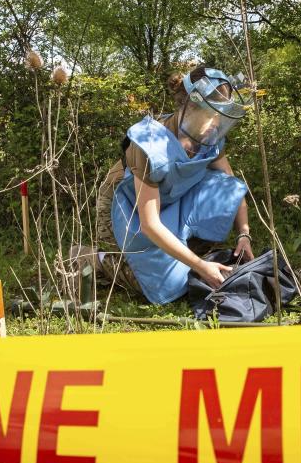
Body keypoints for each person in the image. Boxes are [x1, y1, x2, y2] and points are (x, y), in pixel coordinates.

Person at [92, 65, 255, 304]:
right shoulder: (149, 145)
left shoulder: (210, 137)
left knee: (223, 187)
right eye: (211, 114)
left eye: (221, 115)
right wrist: (200, 266)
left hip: (170, 198)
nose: (216, 123)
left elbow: (232, 188)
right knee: (164, 285)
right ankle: (93, 259)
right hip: (126, 207)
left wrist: (244, 234)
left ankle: (184, 249)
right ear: (190, 106)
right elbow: (149, 225)